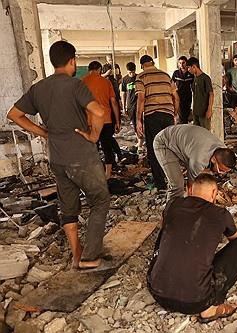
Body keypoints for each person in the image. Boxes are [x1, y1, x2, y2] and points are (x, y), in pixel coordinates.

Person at [6, 41, 110, 269]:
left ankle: (76, 255)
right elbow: (99, 111)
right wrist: (93, 135)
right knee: (100, 200)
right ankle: (90, 258)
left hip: (57, 158)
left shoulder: (39, 88)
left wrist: (43, 132)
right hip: (81, 156)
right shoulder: (75, 85)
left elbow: (14, 114)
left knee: (69, 208)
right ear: (72, 60)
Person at [147, 173, 237, 322]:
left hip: (157, 293)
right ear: (214, 194)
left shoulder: (173, 204)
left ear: (189, 190)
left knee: (165, 232)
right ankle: (210, 310)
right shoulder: (221, 214)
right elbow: (235, 241)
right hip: (197, 302)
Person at [153, 124, 237, 202]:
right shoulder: (200, 159)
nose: (221, 174)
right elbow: (191, 186)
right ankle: (172, 212)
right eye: (220, 170)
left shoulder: (223, 150)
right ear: (214, 159)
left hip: (185, 143)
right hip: (164, 143)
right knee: (178, 184)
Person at [136, 54, 180, 190]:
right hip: (167, 115)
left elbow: (141, 99)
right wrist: (174, 114)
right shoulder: (166, 76)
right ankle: (174, 181)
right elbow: (176, 98)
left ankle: (160, 184)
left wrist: (138, 119)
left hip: (152, 116)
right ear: (153, 62)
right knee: (169, 148)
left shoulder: (141, 77)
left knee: (155, 148)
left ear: (142, 65)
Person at [82, 61, 121, 179]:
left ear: (89, 69)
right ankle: (107, 174)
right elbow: (113, 102)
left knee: (92, 148)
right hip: (106, 119)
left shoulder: (82, 82)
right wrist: (118, 121)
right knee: (107, 147)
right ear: (100, 69)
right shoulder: (106, 82)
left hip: (89, 121)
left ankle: (95, 173)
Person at [186, 57, 214, 130]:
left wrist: (209, 109)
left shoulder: (205, 78)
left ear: (194, 67)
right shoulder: (195, 78)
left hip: (204, 111)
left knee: (205, 133)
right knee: (197, 133)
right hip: (196, 111)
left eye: (189, 68)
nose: (188, 70)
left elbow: (211, 94)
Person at [121, 62, 143, 150]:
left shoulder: (139, 78)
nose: (132, 74)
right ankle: (139, 141)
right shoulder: (125, 79)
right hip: (130, 105)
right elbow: (123, 93)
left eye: (133, 72)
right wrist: (124, 106)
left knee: (141, 123)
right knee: (134, 124)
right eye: (130, 73)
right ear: (127, 71)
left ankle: (140, 143)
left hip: (140, 104)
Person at [172, 56, 195, 124]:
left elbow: (193, 85)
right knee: (181, 114)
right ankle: (183, 126)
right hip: (179, 96)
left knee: (186, 113)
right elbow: (171, 83)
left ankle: (185, 126)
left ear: (186, 63)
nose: (182, 65)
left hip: (188, 96)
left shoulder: (190, 74)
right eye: (180, 63)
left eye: (183, 63)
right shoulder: (176, 73)